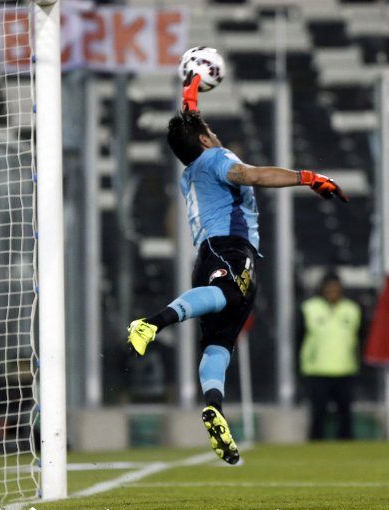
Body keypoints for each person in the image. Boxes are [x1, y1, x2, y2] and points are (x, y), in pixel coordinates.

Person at [126, 73, 348, 464]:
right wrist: (309, 178)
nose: (215, 134)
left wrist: (190, 93)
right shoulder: (217, 158)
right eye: (210, 131)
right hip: (229, 247)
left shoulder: (191, 166)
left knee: (220, 344)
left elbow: (191, 130)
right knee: (230, 294)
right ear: (206, 140)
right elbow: (252, 175)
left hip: (210, 256)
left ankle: (214, 407)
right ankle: (152, 323)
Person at [298, 271, 361, 441]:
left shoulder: (352, 309)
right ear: (322, 290)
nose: (333, 292)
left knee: (345, 413)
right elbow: (299, 338)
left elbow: (360, 337)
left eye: (336, 289)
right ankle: (315, 443)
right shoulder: (309, 308)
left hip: (345, 368)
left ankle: (347, 444)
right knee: (318, 412)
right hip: (317, 370)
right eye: (329, 289)